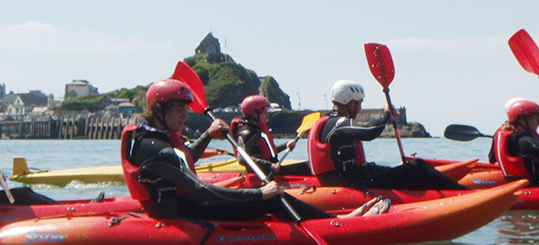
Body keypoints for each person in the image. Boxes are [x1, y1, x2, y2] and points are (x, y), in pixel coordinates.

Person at [121, 79, 389, 221]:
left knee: (267, 197)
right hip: (184, 213)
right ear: (160, 109)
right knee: (271, 199)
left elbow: (185, 158)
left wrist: (207, 134)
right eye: (179, 109)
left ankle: (324, 218)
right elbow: (200, 189)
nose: (184, 116)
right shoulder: (154, 147)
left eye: (185, 109)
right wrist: (260, 193)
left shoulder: (156, 139)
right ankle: (334, 222)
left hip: (186, 205)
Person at [307, 80, 467, 190]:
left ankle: (431, 190)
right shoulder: (337, 124)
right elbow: (370, 131)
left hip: (356, 176)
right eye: (359, 103)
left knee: (401, 171)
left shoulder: (332, 122)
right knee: (417, 167)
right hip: (354, 183)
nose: (361, 107)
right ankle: (463, 193)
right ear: (350, 102)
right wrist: (386, 114)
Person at [230, 95, 310, 175]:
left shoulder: (255, 129)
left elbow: (269, 152)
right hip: (265, 174)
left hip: (270, 171)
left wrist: (285, 145)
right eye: (265, 112)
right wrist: (270, 165)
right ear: (254, 114)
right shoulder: (247, 133)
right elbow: (242, 158)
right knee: (309, 167)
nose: (267, 116)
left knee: (309, 165)